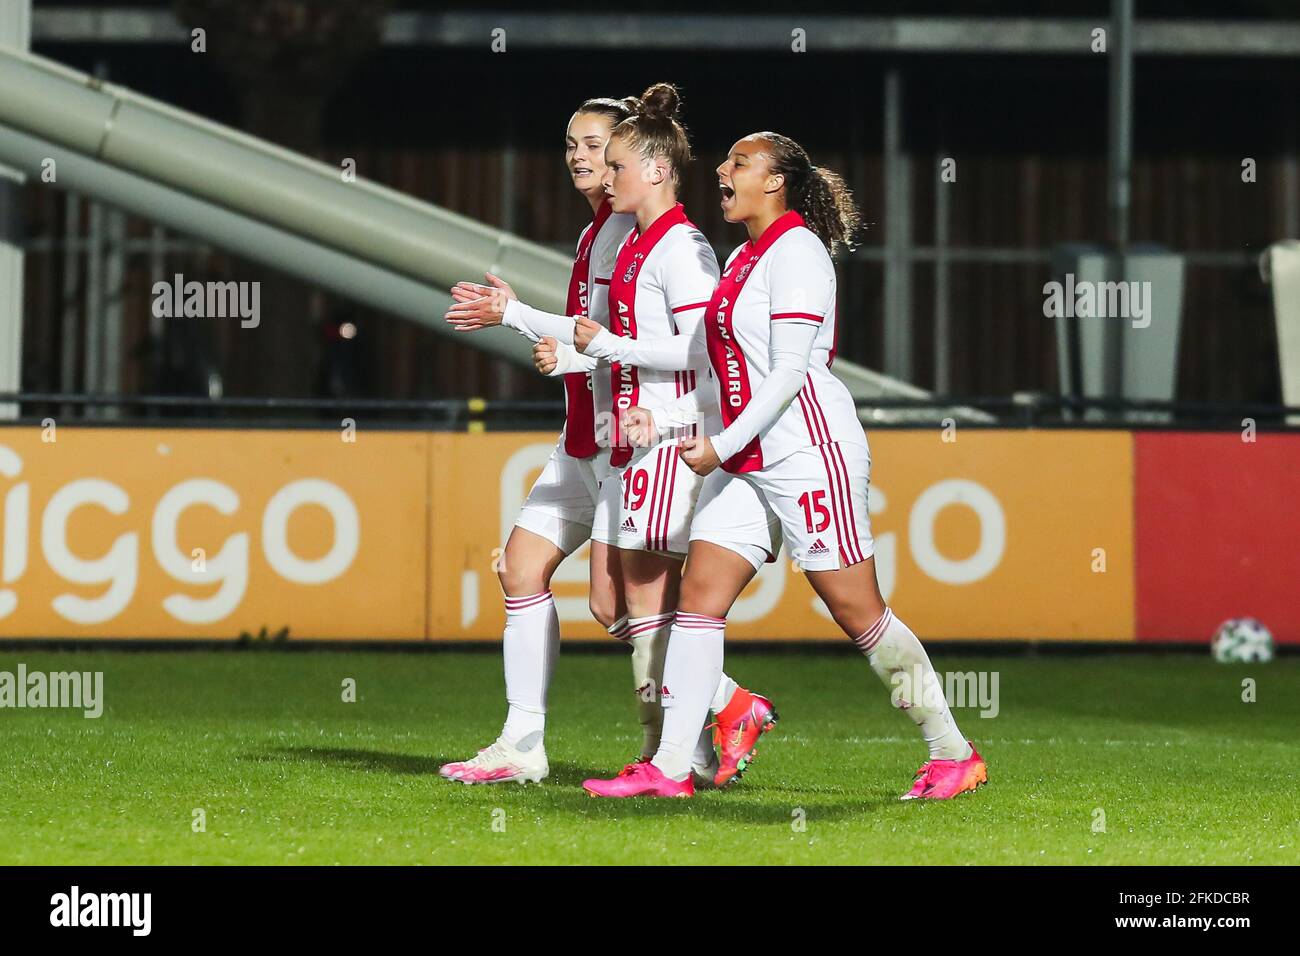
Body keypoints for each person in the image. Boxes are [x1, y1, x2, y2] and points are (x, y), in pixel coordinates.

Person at [571, 132, 988, 799]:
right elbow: (707, 362)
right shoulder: (742, 258)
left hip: (808, 453)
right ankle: (672, 768)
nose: (723, 171)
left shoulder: (797, 254)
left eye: (740, 163)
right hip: (753, 455)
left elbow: (791, 372)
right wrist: (654, 398)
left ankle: (953, 752)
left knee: (859, 613)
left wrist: (722, 445)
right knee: (699, 601)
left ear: (777, 183)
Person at [439, 93, 772, 786]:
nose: (582, 159)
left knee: (636, 606)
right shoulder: (604, 231)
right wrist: (552, 343)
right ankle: (525, 742)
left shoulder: (660, 235)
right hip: (593, 436)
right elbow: (606, 339)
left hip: (646, 438)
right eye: (573, 146)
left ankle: (691, 737)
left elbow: (689, 345)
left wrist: (535, 325)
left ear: (639, 160)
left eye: (597, 147)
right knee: (530, 573)